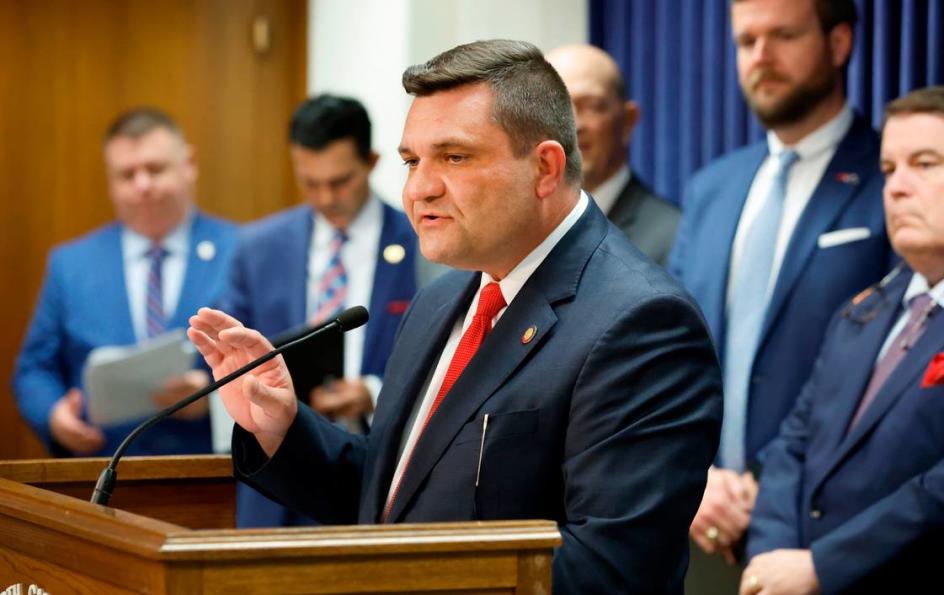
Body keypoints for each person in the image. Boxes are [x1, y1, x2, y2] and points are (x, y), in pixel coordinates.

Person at [188, 40, 722, 594]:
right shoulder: (440, 301)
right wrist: (282, 427)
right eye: (412, 161)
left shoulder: (641, 323)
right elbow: (396, 501)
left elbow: (610, 573)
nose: (419, 189)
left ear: (544, 167)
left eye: (454, 157)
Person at [668, 0, 894, 560]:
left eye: (783, 36)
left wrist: (766, 477)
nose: (761, 57)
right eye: (747, 42)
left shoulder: (892, 178)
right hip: (698, 520)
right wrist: (697, 473)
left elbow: (893, 364)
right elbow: (672, 351)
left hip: (829, 531)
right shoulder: (711, 187)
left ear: (839, 43)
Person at [743, 85, 944, 595]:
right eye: (888, 170)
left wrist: (823, 567)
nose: (898, 187)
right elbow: (791, 446)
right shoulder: (864, 311)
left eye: (925, 164)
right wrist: (770, 556)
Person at [220, 94, 419, 527]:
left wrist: (372, 392)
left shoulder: (420, 242)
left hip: (372, 473)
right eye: (310, 183)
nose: (326, 197)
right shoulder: (257, 247)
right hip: (274, 482)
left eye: (340, 181)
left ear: (371, 160)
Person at [14, 108, 236, 457]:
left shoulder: (242, 251)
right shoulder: (70, 264)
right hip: (101, 471)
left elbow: (277, 361)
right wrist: (55, 416)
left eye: (155, 169)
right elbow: (33, 370)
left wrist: (214, 396)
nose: (142, 185)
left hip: (216, 472)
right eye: (127, 174)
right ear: (110, 181)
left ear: (188, 164)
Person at [546, 43, 679, 265]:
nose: (573, 125)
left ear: (628, 121)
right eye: (556, 108)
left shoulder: (672, 237)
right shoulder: (514, 235)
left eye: (592, 106)